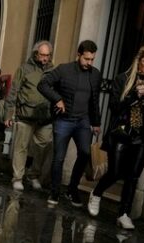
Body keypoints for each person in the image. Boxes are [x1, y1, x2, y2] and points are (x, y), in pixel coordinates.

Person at [87, 45, 144, 230]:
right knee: (115, 171)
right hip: (121, 134)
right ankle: (96, 193)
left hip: (142, 137)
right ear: (139, 60)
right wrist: (133, 95)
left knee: (133, 176)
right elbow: (114, 107)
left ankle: (124, 214)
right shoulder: (122, 79)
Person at [38, 40, 102, 207]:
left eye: (92, 59)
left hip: (83, 121)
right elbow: (43, 84)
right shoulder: (64, 69)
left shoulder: (95, 74)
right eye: (86, 59)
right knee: (58, 158)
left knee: (85, 153)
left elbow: (95, 100)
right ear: (78, 55)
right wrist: (57, 99)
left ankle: (72, 189)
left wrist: (96, 122)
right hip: (64, 120)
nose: (89, 63)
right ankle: (54, 191)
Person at [4, 40, 54, 192]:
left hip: (45, 117)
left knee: (44, 144)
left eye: (48, 55)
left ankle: (33, 175)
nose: (45, 58)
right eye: (42, 55)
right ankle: (18, 178)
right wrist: (9, 113)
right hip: (25, 115)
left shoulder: (53, 70)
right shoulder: (24, 69)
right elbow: (14, 91)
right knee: (21, 147)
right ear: (36, 54)